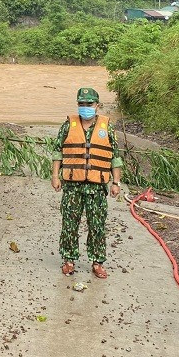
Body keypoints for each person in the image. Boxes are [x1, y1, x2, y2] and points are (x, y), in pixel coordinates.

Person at [50, 87, 122, 279]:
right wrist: (55, 176)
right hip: (72, 186)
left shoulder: (107, 127)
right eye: (82, 104)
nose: (85, 107)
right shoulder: (68, 126)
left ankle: (97, 262)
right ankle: (69, 260)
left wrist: (116, 182)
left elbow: (115, 157)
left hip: (97, 187)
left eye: (89, 104)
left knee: (97, 225)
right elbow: (58, 151)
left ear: (97, 105)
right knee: (69, 223)